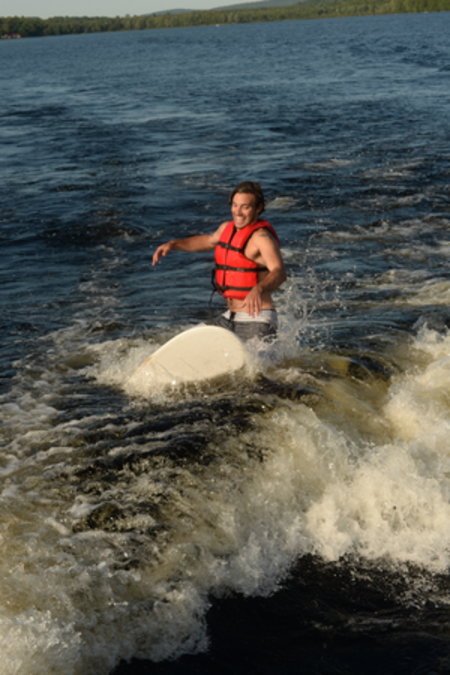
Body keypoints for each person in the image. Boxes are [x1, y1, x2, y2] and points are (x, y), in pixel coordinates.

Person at [152, 181, 286, 341]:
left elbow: (279, 272)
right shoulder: (226, 229)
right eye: (235, 205)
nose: (238, 212)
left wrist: (259, 288)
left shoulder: (262, 238)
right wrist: (174, 244)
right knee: (189, 342)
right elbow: (208, 241)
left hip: (257, 319)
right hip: (229, 317)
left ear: (258, 208)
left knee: (255, 359)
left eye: (245, 207)